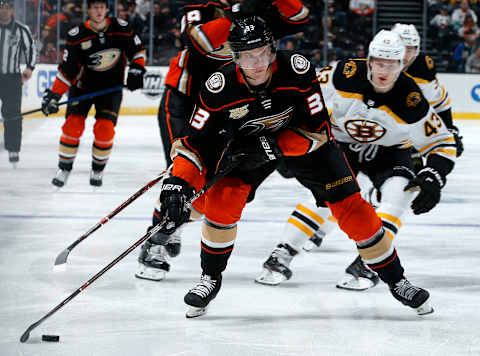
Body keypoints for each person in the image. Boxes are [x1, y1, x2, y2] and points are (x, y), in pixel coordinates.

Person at [156, 17, 434, 318]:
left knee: (355, 212)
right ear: (235, 56)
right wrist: (177, 183)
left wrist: (274, 145)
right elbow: (196, 144)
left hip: (307, 147)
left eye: (263, 52)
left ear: (273, 49)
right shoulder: (218, 88)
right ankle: (209, 278)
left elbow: (316, 128)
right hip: (245, 151)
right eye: (249, 55)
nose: (258, 62)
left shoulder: (297, 69)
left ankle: (398, 280)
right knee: (221, 204)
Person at [256, 30, 457, 295]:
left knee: (398, 196)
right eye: (379, 62)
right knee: (326, 196)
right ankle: (283, 251)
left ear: (401, 65)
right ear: (370, 60)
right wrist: (285, 134)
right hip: (342, 145)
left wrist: (434, 175)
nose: (384, 70)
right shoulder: (342, 75)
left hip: (390, 153)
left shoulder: (412, 99)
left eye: (391, 64)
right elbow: (300, 93)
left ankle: (371, 261)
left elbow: (443, 142)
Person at [135, 0, 311, 281]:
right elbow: (199, 41)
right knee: (184, 175)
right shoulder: (202, 5)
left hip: (230, 109)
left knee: (216, 188)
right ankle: (156, 242)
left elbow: (300, 16)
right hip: (187, 100)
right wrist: (236, 14)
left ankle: (174, 224)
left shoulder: (262, 13)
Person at [41, 0, 146, 187]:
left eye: (102, 7)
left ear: (106, 9)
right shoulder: (77, 35)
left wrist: (137, 70)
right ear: (88, 10)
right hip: (82, 88)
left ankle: (97, 170)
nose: (98, 11)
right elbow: (67, 71)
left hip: (110, 90)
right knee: (72, 126)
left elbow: (138, 52)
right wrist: (54, 95)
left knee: (104, 130)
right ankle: (64, 168)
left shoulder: (121, 29)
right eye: (95, 7)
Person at [391, 23, 463, 160]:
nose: (406, 56)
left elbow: (439, 101)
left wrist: (449, 130)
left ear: (417, 50)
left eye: (411, 50)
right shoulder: (376, 62)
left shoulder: (423, 68)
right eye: (402, 49)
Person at [0, 0, 36, 166]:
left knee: (12, 113)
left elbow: (31, 49)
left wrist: (29, 67)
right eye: (1, 8)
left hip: (12, 77)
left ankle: (13, 148)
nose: (3, 11)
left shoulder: (21, 30)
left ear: (12, 10)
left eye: (6, 8)